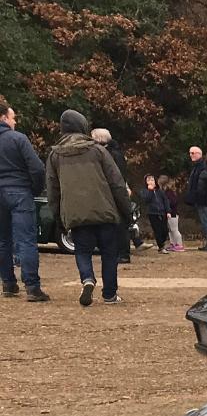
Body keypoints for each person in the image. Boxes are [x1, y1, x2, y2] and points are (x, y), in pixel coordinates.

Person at [46, 109, 133, 306]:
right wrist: (126, 211)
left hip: (76, 213)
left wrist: (59, 217)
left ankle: (87, 279)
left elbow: (53, 189)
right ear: (82, 126)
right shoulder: (98, 150)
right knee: (109, 253)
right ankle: (110, 294)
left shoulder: (55, 155)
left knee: (82, 251)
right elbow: (116, 182)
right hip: (104, 210)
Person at [0, 96, 48, 301]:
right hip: (19, 191)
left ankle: (8, 283)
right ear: (3, 118)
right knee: (26, 240)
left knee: (2, 241)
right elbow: (37, 168)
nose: (15, 121)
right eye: (13, 117)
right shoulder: (18, 138)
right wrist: (34, 189)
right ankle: (32, 286)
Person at [91, 127, 139, 260]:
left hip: (113, 191)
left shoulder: (110, 154)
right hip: (115, 190)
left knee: (119, 224)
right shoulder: (115, 153)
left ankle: (123, 253)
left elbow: (117, 176)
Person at [183, 144, 207, 252]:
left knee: (206, 221)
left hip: (204, 200)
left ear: (199, 154)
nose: (190, 155)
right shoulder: (197, 167)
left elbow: (202, 185)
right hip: (200, 199)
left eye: (192, 153)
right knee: (205, 221)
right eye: (190, 153)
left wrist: (199, 196)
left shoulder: (202, 167)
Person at [140, 174, 172, 253]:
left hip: (162, 212)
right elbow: (147, 199)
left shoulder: (160, 191)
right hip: (152, 213)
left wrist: (168, 211)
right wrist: (150, 191)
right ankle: (161, 247)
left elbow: (166, 201)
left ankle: (163, 242)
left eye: (152, 180)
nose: (151, 182)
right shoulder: (144, 191)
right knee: (157, 230)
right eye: (148, 180)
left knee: (165, 230)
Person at [160, 175, 184, 250]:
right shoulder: (167, 192)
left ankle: (179, 244)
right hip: (169, 214)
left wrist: (167, 206)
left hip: (173, 214)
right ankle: (173, 243)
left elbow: (173, 202)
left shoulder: (169, 192)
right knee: (170, 230)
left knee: (174, 230)